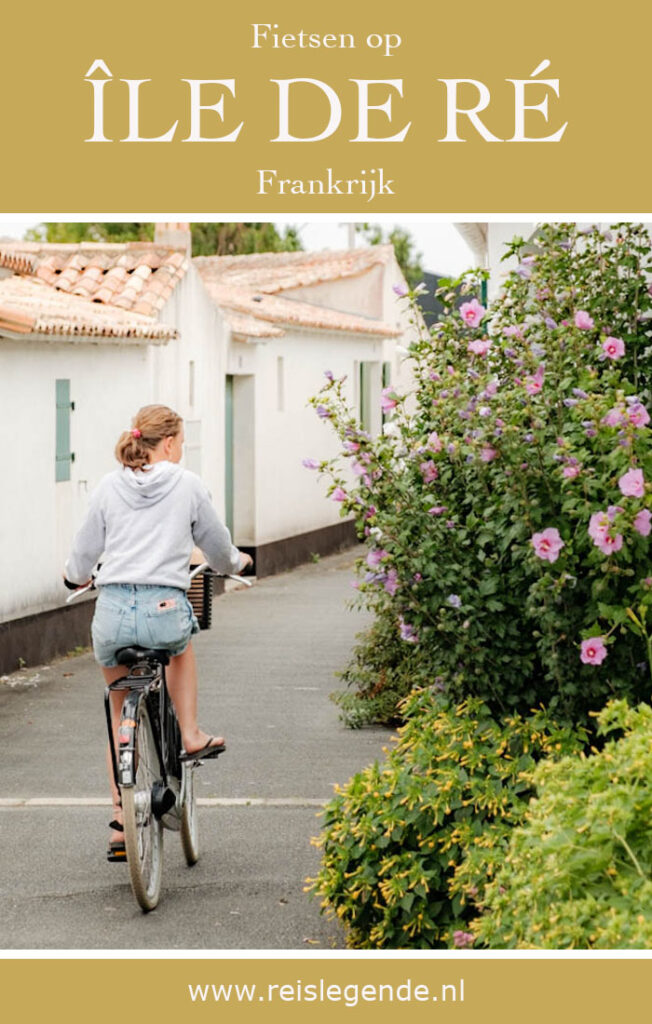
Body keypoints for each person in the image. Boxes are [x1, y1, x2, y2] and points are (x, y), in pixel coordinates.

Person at [64, 404, 252, 860]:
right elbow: (218, 548)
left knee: (116, 709)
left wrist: (75, 578)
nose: (181, 450)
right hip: (164, 607)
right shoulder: (187, 485)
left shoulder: (109, 487)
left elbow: (83, 554)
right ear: (168, 443)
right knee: (182, 646)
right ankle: (189, 733)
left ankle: (119, 820)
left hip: (111, 613)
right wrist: (239, 562)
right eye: (181, 443)